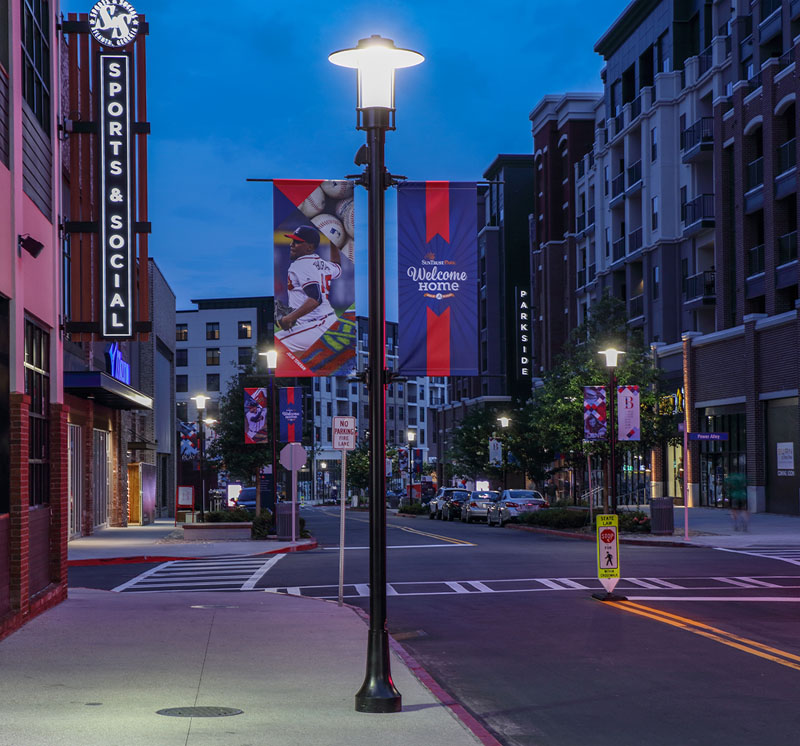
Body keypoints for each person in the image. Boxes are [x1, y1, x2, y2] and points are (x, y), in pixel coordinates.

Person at [275, 225, 342, 353]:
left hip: (317, 326)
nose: (292, 244)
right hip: (327, 322)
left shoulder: (301, 264)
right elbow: (337, 266)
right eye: (292, 240)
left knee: (276, 344)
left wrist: (289, 318)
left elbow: (315, 299)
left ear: (310, 247)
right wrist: (333, 242)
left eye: (297, 242)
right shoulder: (322, 263)